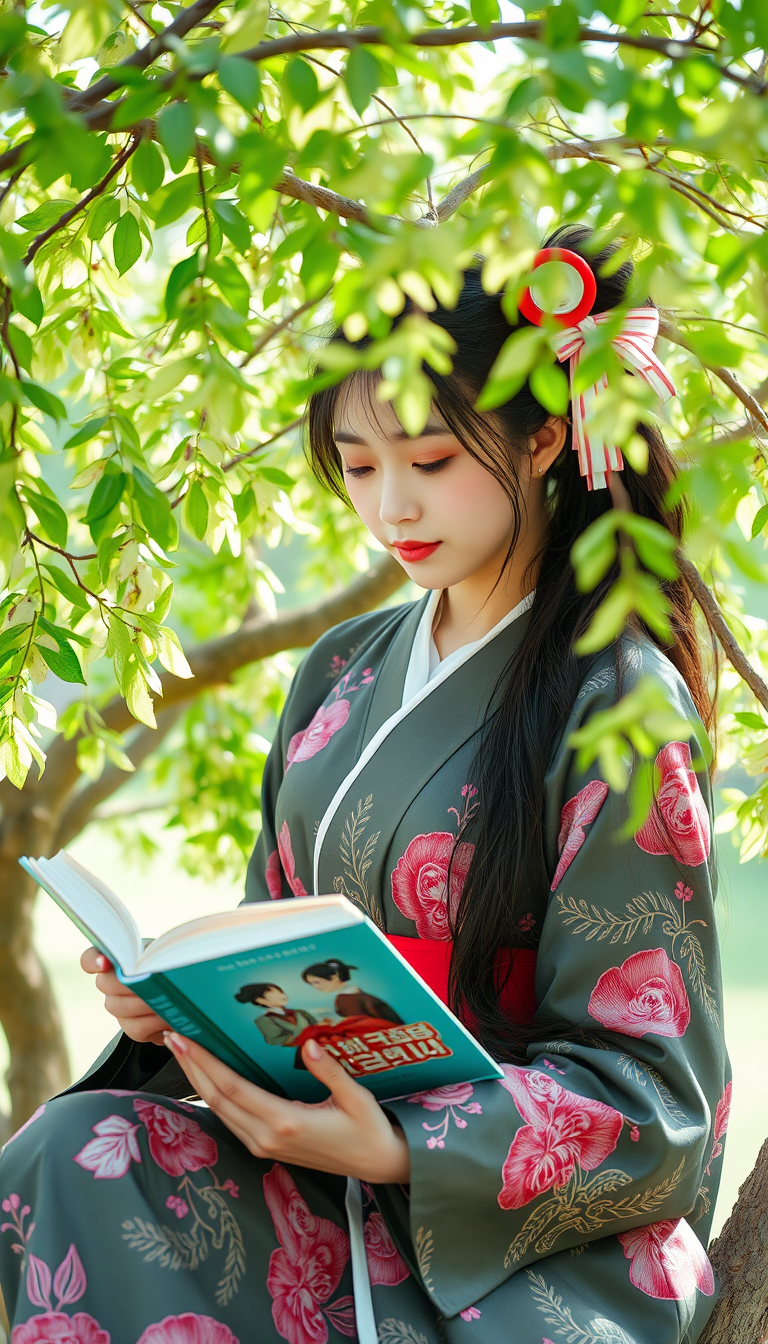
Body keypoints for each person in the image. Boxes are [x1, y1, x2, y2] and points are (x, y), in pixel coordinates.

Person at [0, 225, 729, 1344]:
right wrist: (177, 1014)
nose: (391, 508)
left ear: (542, 439)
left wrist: (400, 1147)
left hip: (528, 1247)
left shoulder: (618, 706)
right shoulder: (339, 670)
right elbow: (270, 944)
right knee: (73, 1153)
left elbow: (659, 1097)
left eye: (430, 463)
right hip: (328, 1175)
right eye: (357, 466)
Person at [300, 958, 403, 1024]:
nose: (316, 987)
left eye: (316, 982)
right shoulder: (354, 994)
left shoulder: (347, 999)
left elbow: (360, 1025)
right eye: (312, 984)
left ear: (334, 976)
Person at [234, 982, 318, 1046]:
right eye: (273, 995)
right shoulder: (264, 1020)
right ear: (260, 1000)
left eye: (281, 993)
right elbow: (273, 1040)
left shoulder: (300, 1012)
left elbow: (316, 1025)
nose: (282, 996)